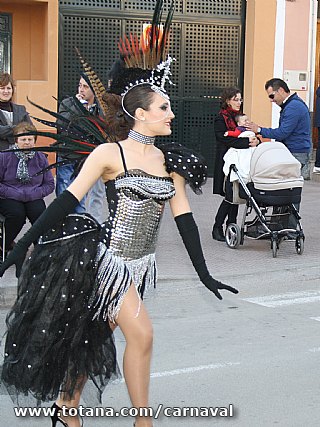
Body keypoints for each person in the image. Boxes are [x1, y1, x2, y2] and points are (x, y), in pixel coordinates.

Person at [0, 5, 237, 426]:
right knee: (142, 334)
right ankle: (142, 421)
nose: (172, 113)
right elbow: (65, 201)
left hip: (142, 263)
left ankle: (65, 407)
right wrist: (22, 246)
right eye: (164, 107)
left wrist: (204, 273)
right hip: (107, 261)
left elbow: (184, 221)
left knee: (95, 336)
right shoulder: (111, 153)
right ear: (141, 113)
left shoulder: (171, 162)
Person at [56, 74, 108, 223]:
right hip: (68, 154)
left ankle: (90, 225)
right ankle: (64, 224)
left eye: (85, 87)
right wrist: (79, 108)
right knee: (66, 191)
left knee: (95, 193)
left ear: (93, 90)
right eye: (80, 85)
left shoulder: (101, 108)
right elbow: (62, 125)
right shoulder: (68, 103)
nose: (81, 89)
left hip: (92, 155)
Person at [212, 88, 259, 241]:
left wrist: (255, 139)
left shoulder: (239, 117)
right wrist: (246, 142)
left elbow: (249, 132)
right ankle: (217, 227)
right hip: (228, 160)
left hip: (242, 161)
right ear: (227, 101)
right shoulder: (221, 118)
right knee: (229, 196)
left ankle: (231, 226)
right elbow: (223, 138)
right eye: (236, 99)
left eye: (240, 99)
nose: (239, 102)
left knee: (236, 195)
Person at [0, 122, 54, 254]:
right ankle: (4, 245)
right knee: (17, 215)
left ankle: (40, 249)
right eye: (23, 139)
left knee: (39, 214)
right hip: (9, 195)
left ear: (34, 141)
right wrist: (14, 193)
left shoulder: (40, 157)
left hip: (33, 195)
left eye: (30, 139)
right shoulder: (4, 157)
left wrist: (35, 193)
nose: (26, 142)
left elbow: (49, 184)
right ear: (16, 140)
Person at [247, 78, 312, 178]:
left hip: (295, 152)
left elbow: (283, 132)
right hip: (295, 150)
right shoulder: (292, 105)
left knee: (290, 186)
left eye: (272, 96)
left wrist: (259, 130)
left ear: (281, 90)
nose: (271, 100)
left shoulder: (293, 106)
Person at [0, 73, 33, 150]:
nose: (6, 91)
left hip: (19, 155)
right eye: (2, 88)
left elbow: (31, 129)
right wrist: (19, 128)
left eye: (8, 88)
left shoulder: (21, 109)